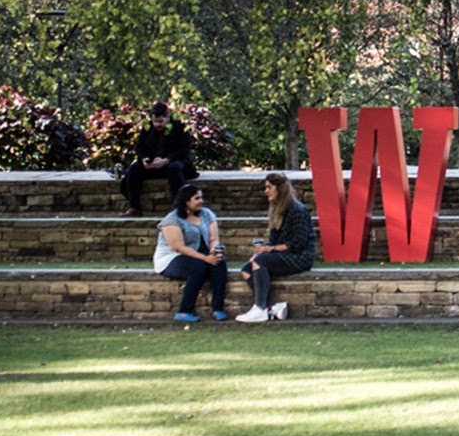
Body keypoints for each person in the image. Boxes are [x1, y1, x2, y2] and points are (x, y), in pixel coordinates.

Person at [235, 172, 317, 323]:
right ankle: (273, 305)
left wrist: (270, 250)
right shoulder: (276, 210)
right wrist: (263, 250)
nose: (266, 191)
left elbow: (299, 242)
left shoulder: (297, 210)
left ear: (279, 188)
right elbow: (273, 240)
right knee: (246, 269)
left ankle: (260, 308)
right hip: (284, 254)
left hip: (300, 256)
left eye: (269, 187)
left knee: (260, 261)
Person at [155, 182, 227, 323]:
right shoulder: (172, 219)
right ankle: (184, 311)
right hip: (173, 258)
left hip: (201, 255)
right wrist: (205, 259)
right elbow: (178, 247)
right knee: (197, 268)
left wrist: (214, 251)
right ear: (186, 201)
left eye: (201, 198)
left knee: (220, 263)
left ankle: (218, 309)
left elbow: (213, 238)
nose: (201, 201)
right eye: (196, 198)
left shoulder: (207, 214)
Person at [121, 102, 197, 217]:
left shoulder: (178, 127)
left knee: (174, 168)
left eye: (161, 121)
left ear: (167, 117)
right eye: (155, 121)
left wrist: (167, 160)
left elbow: (184, 149)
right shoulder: (148, 128)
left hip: (174, 162)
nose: (157, 125)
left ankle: (179, 207)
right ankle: (134, 207)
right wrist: (145, 159)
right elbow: (139, 147)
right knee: (134, 169)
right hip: (153, 163)